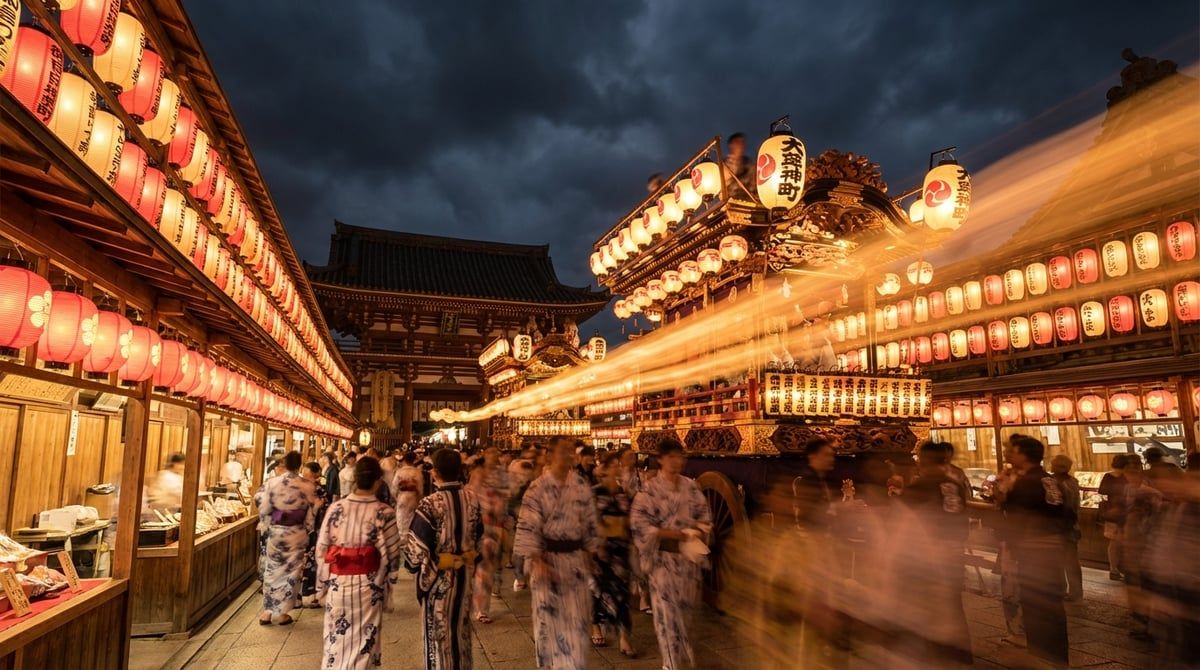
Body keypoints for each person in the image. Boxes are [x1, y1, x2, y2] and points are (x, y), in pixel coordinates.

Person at [513, 436, 600, 669]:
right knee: (548, 628)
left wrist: (591, 556)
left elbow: (590, 524)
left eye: (572, 451)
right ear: (550, 455)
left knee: (578, 628)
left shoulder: (580, 485)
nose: (569, 455)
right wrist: (537, 561)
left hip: (576, 563)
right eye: (563, 451)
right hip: (547, 563)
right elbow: (528, 528)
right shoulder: (537, 488)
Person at [630, 439, 712, 670]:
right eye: (672, 456)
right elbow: (640, 526)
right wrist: (674, 534)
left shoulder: (691, 486)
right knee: (667, 616)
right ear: (661, 459)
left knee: (686, 614)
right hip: (663, 562)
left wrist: (699, 530)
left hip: (688, 561)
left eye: (680, 456)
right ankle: (670, 664)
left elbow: (704, 515)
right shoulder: (649, 490)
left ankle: (685, 659)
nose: (677, 461)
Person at [316, 457, 404, 669]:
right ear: (378, 481)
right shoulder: (384, 512)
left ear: (355, 479)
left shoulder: (336, 508)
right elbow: (393, 554)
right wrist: (390, 583)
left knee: (336, 637)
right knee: (365, 639)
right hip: (369, 584)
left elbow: (322, 548)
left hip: (338, 581)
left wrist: (323, 583)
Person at [994, 434, 1069, 667]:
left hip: (1032, 551)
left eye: (1011, 450)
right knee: (1051, 605)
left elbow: (1018, 515)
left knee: (1036, 604)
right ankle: (1056, 657)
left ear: (1024, 454)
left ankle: (1043, 657)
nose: (1007, 454)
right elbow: (1063, 513)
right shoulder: (1049, 479)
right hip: (1052, 551)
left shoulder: (1026, 482)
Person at [405, 448, 483, 670]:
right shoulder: (473, 499)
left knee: (439, 632)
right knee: (461, 629)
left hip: (439, 579)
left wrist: (413, 567)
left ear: (435, 472)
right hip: (465, 575)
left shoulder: (430, 504)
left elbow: (415, 550)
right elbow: (480, 536)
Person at [899, 441, 972, 666]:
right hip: (954, 551)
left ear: (925, 460)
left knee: (927, 604)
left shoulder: (920, 487)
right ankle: (960, 654)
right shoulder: (955, 483)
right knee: (952, 602)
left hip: (929, 554)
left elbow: (904, 522)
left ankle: (934, 654)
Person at [255, 451, 321, 625]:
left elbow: (264, 507)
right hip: (296, 533)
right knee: (291, 573)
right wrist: (308, 528)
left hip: (277, 532)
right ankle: (283, 613)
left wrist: (267, 524)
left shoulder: (273, 482)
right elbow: (310, 511)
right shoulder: (307, 485)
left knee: (272, 570)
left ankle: (267, 612)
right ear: (300, 465)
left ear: (284, 464)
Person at [592, 452, 637, 658]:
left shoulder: (622, 493)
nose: (618, 468)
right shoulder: (595, 492)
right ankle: (596, 626)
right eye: (614, 465)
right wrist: (597, 543)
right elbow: (590, 519)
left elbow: (628, 519)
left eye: (619, 465)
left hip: (620, 547)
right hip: (601, 547)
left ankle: (624, 636)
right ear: (606, 468)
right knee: (598, 589)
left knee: (622, 591)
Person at [1120, 453, 1161, 642]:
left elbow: (1144, 516)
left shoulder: (1147, 489)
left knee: (1143, 585)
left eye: (1136, 465)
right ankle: (1141, 622)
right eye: (1129, 466)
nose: (1132, 469)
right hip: (1133, 541)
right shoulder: (1128, 488)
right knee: (1136, 585)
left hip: (1144, 542)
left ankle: (1146, 624)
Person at [467, 450, 507, 625]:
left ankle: (482, 608)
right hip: (473, 532)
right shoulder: (469, 489)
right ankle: (470, 603)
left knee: (485, 570)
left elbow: (502, 507)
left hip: (491, 531)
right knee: (471, 569)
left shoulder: (499, 482)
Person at [1049, 454, 1083, 602]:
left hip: (1060, 525)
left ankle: (1063, 589)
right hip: (1071, 524)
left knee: (1062, 560)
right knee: (1071, 561)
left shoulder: (1051, 482)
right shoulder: (1073, 482)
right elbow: (1075, 506)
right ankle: (1075, 591)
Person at [792, 438, 836, 532]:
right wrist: (842, 507)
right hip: (811, 535)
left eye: (832, 456)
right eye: (826, 455)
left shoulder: (821, 478)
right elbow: (812, 511)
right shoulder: (807, 480)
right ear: (812, 457)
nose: (831, 459)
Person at [300, 462, 328, 609]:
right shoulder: (318, 489)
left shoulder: (318, 489)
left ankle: (301, 596)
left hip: (304, 530)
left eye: (307, 475)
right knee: (309, 561)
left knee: (303, 562)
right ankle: (309, 596)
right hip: (309, 530)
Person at [1098, 454, 1129, 580]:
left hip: (1112, 512)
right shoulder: (1125, 478)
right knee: (1121, 542)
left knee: (1114, 542)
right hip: (1124, 512)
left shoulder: (1108, 476)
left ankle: (1114, 569)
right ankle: (1119, 569)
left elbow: (1102, 491)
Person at [393, 451, 424, 537]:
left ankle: (402, 536)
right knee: (412, 517)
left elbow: (394, 487)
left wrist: (396, 497)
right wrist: (419, 498)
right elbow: (420, 488)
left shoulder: (399, 472)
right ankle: (410, 537)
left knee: (401, 516)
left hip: (402, 496)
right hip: (413, 496)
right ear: (414, 460)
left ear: (404, 460)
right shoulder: (417, 472)